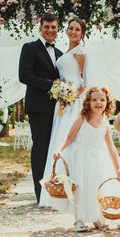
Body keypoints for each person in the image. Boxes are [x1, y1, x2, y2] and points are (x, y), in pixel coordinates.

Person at [51, 86, 120, 232]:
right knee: (80, 188)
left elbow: (111, 147)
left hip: (97, 158)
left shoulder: (105, 121)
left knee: (96, 188)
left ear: (108, 103)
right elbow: (69, 137)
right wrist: (59, 150)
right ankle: (79, 219)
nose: (98, 103)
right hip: (80, 157)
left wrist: (117, 168)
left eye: (102, 100)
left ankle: (96, 217)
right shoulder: (82, 119)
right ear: (88, 102)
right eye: (94, 99)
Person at [39, 18, 87, 207]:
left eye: (77, 30)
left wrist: (74, 96)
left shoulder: (80, 52)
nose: (73, 32)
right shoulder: (62, 52)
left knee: (73, 137)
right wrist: (62, 92)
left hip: (74, 100)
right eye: (70, 29)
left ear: (82, 33)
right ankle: (58, 185)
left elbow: (85, 80)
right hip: (63, 100)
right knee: (60, 137)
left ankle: (77, 183)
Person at [19, 13, 63, 204]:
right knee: (41, 150)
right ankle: (40, 194)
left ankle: (56, 190)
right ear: (40, 28)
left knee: (55, 150)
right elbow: (24, 76)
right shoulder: (30, 48)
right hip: (38, 108)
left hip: (58, 110)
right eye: (47, 27)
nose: (50, 30)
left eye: (53, 27)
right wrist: (51, 84)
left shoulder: (60, 53)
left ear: (57, 29)